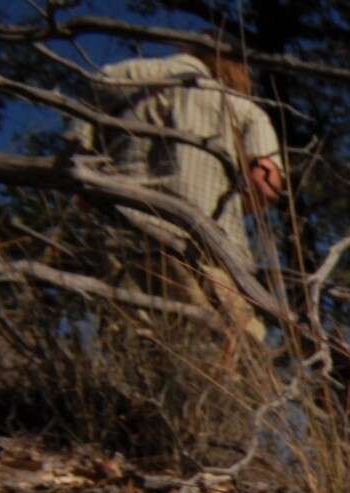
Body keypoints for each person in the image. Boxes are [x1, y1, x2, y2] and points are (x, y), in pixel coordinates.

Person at [73, 44, 285, 348]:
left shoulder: (128, 74)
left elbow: (81, 124)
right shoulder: (243, 109)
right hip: (210, 246)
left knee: (132, 341)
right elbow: (266, 184)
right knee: (229, 350)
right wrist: (237, 205)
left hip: (124, 230)